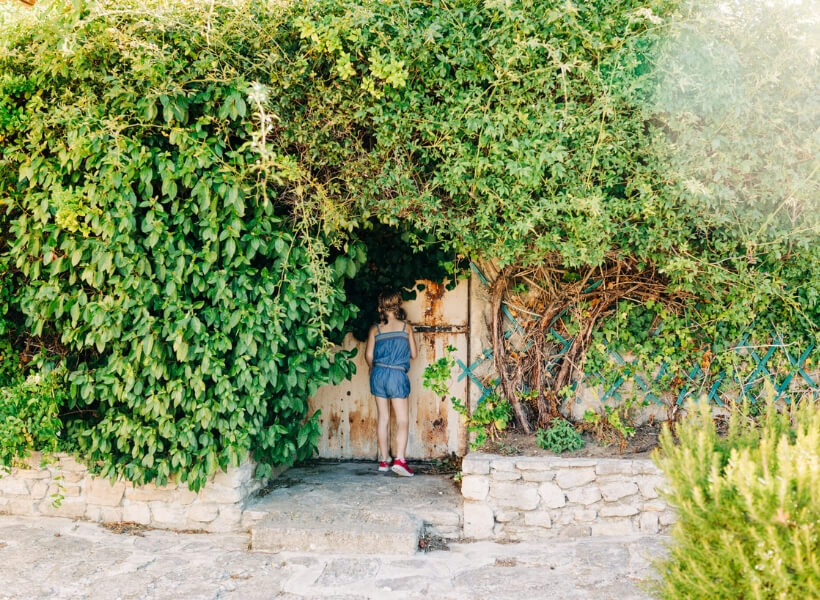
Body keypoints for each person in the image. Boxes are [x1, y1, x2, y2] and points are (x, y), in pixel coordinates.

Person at [365, 290, 418, 476]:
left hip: (378, 373)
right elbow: (414, 354)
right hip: (397, 374)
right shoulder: (406, 328)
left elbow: (368, 356)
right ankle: (400, 461)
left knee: (383, 418)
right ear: (399, 306)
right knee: (402, 420)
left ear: (380, 308)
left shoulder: (375, 329)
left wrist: (374, 368)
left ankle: (383, 460)